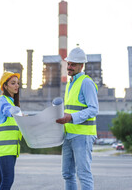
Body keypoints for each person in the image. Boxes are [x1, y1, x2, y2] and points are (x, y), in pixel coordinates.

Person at [56, 47, 99, 190]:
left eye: (73, 64)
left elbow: (94, 109)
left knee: (83, 174)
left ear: (81, 66)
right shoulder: (70, 83)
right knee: (67, 173)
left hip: (83, 135)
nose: (69, 67)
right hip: (68, 134)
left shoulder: (86, 82)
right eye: (68, 63)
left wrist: (71, 117)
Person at [0, 71, 22, 190]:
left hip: (11, 149)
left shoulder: (13, 102)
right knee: (8, 179)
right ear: (5, 85)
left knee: (2, 180)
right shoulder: (2, 100)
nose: (16, 86)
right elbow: (7, 110)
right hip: (5, 149)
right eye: (13, 83)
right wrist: (17, 113)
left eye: (17, 83)